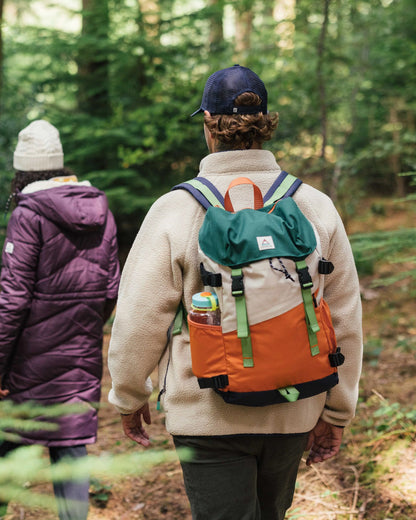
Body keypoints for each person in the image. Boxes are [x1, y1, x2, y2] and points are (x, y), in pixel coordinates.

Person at [107, 65, 363, 520]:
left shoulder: (176, 209)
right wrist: (337, 412)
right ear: (266, 125)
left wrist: (129, 395)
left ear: (208, 125)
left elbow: (139, 316)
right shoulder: (313, 205)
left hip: (207, 413)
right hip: (296, 405)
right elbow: (343, 316)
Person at [0, 120, 120, 520]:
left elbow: (12, 300)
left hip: (27, 363)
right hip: (78, 357)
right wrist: (84, 327)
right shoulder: (101, 209)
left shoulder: (28, 214)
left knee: (8, 446)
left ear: (23, 169)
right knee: (69, 453)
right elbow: (110, 290)